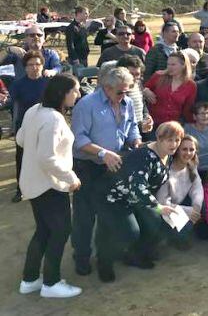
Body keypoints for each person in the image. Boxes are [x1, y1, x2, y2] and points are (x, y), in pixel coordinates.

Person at [70, 67, 141, 276]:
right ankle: (81, 256)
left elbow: (132, 127)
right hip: (89, 167)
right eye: (120, 92)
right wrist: (103, 154)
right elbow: (79, 139)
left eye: (127, 91)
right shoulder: (86, 105)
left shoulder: (126, 102)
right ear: (106, 88)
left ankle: (107, 253)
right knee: (85, 215)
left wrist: (135, 141)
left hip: (115, 166)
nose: (124, 96)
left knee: (109, 213)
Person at [17, 74, 83, 298]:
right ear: (62, 93)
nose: (78, 94)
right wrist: (71, 178)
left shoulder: (34, 110)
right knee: (60, 230)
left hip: (33, 181)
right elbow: (48, 157)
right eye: (74, 90)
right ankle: (51, 283)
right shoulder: (53, 119)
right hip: (49, 185)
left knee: (44, 230)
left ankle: (30, 279)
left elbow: (20, 139)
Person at [94, 121, 182, 282]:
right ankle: (104, 260)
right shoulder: (144, 155)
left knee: (154, 223)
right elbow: (137, 186)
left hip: (136, 199)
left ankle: (132, 255)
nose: (174, 144)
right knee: (129, 232)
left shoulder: (167, 156)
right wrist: (158, 207)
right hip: (113, 197)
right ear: (159, 139)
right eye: (169, 140)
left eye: (177, 140)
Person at [9, 51, 50, 203]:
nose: (34, 67)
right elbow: (10, 102)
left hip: (46, 126)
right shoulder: (18, 84)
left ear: (42, 66)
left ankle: (46, 185)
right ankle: (20, 189)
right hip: (25, 126)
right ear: (25, 67)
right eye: (30, 65)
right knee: (21, 158)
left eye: (37, 64)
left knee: (46, 155)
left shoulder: (48, 83)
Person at [154, 135, 203, 249]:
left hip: (179, 203)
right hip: (162, 208)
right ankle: (168, 236)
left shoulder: (192, 165)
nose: (188, 153)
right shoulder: (166, 170)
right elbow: (162, 202)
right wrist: (188, 211)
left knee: (203, 206)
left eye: (191, 149)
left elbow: (197, 188)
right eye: (184, 149)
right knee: (183, 234)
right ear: (177, 150)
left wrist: (196, 206)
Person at [143, 52, 196, 126]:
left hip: (173, 126)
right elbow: (141, 88)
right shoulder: (158, 76)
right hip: (153, 124)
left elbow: (188, 110)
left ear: (183, 65)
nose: (169, 67)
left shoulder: (191, 85)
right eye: (168, 64)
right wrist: (145, 90)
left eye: (173, 64)